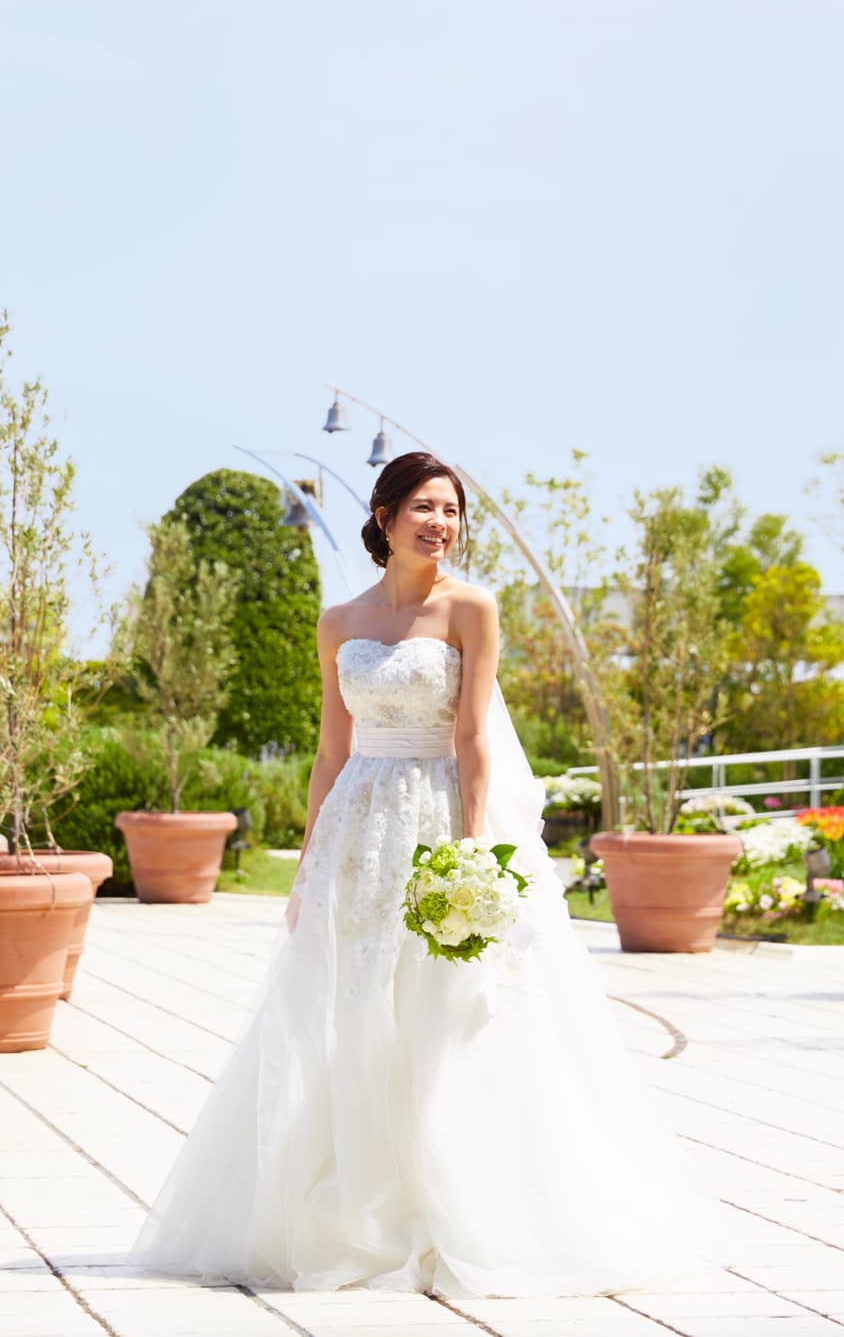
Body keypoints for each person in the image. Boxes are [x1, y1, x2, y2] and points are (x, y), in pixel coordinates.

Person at [131, 451, 711, 1297]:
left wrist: (473, 853)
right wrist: (308, 863)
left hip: (440, 815)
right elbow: (331, 750)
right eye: (424, 507)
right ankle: (358, 1213)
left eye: (451, 510)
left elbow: (473, 738)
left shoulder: (472, 608)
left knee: (450, 1005)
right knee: (356, 1004)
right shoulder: (340, 622)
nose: (439, 523)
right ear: (385, 513)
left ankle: (467, 1208)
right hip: (362, 826)